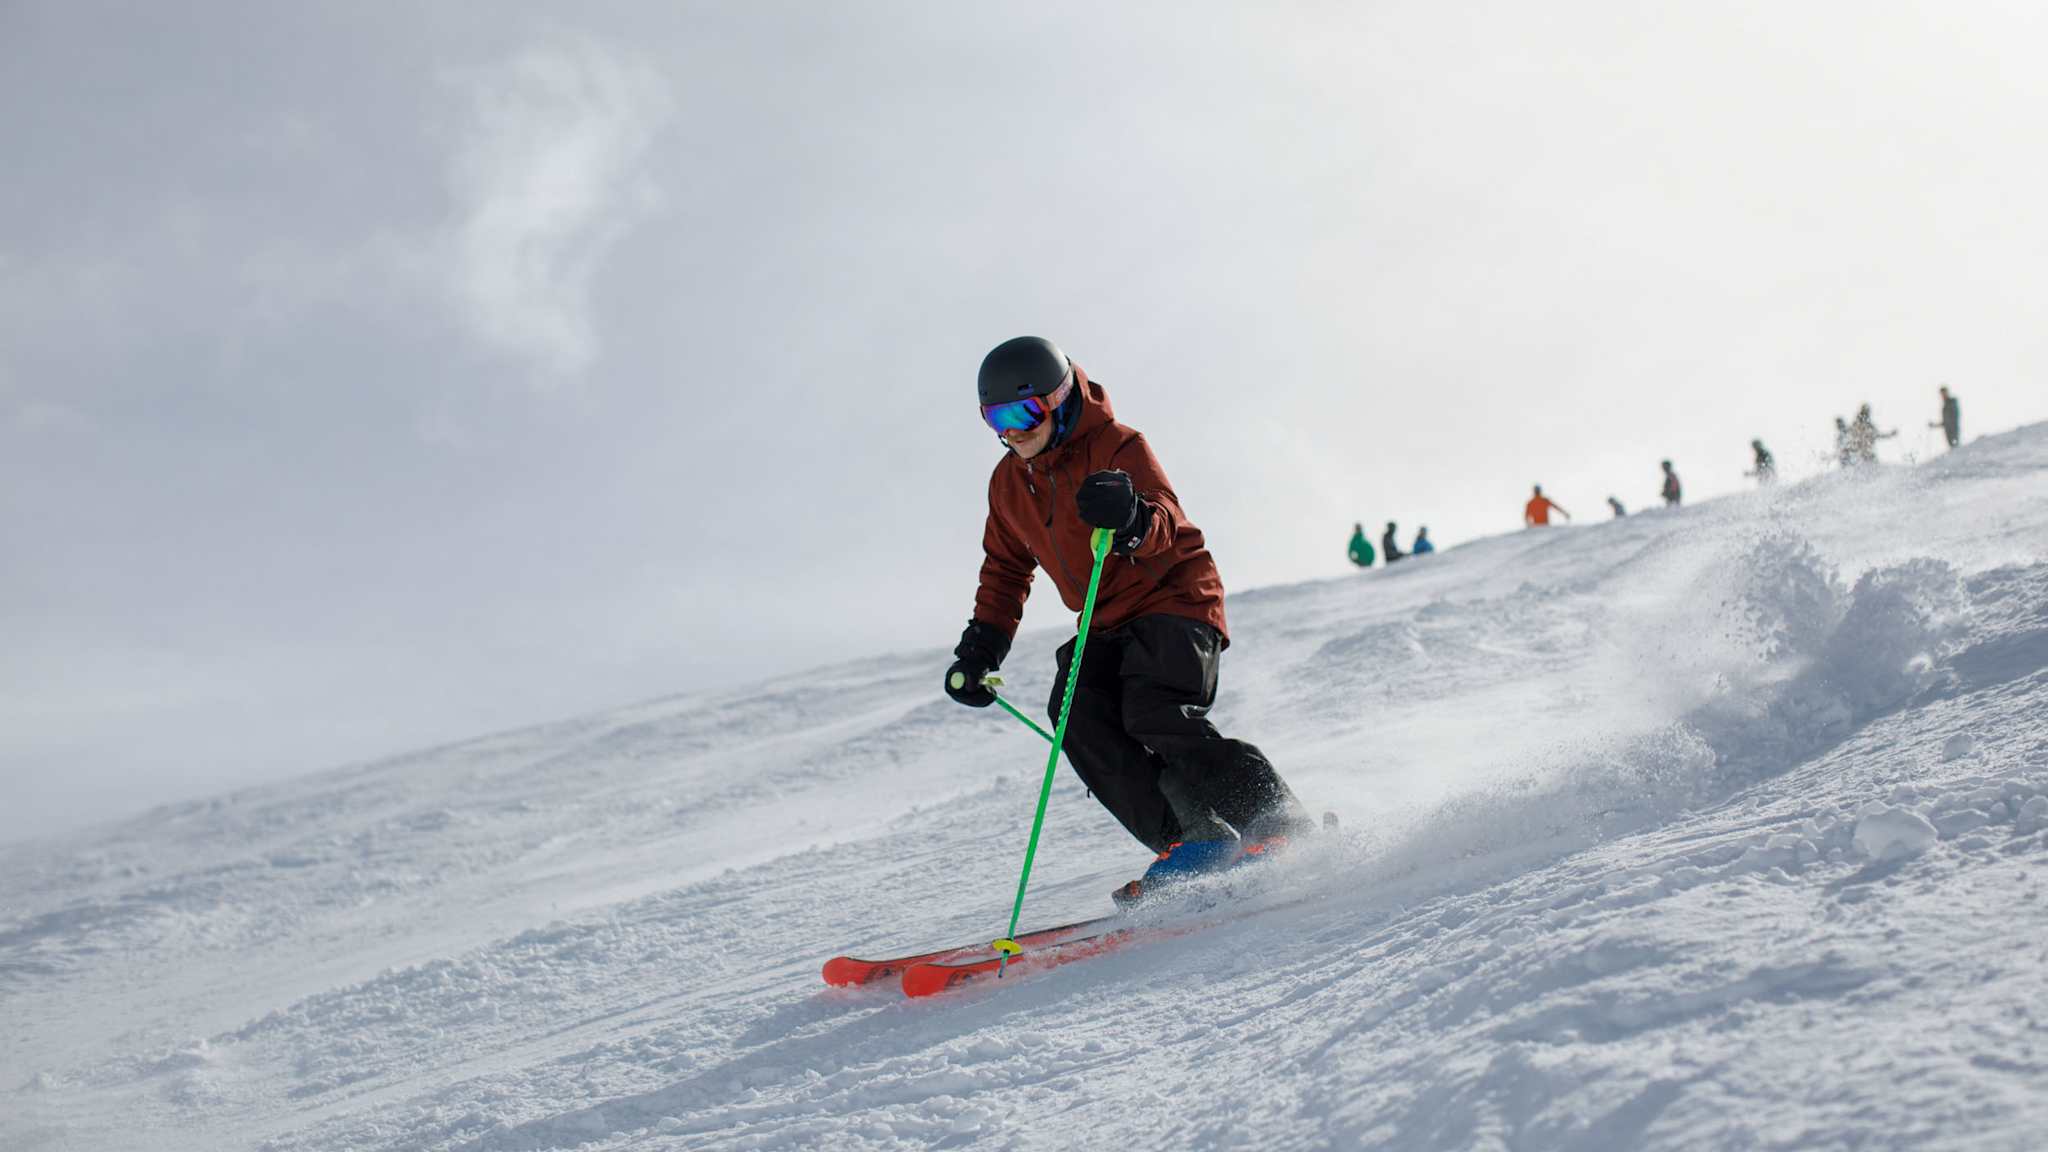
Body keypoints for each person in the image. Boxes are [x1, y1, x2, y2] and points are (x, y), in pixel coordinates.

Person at [945, 336, 1312, 902]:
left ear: (1060, 399)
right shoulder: (1007, 482)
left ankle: (1277, 819)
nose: (1012, 431)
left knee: (1153, 710)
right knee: (1076, 713)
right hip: (1103, 619)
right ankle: (1192, 840)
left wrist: (1133, 518)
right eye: (995, 418)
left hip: (1174, 599)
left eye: (1024, 412)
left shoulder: (1116, 445)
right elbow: (1005, 570)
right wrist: (981, 649)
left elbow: (1166, 520)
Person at [1930, 385, 1962, 450]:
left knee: (1955, 446)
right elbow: (1945, 422)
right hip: (1948, 429)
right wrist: (1934, 425)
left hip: (1953, 429)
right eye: (1941, 394)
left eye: (1943, 393)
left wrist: (1950, 424)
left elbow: (1954, 416)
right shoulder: (1945, 405)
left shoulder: (1951, 402)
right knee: (1952, 447)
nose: (1942, 395)